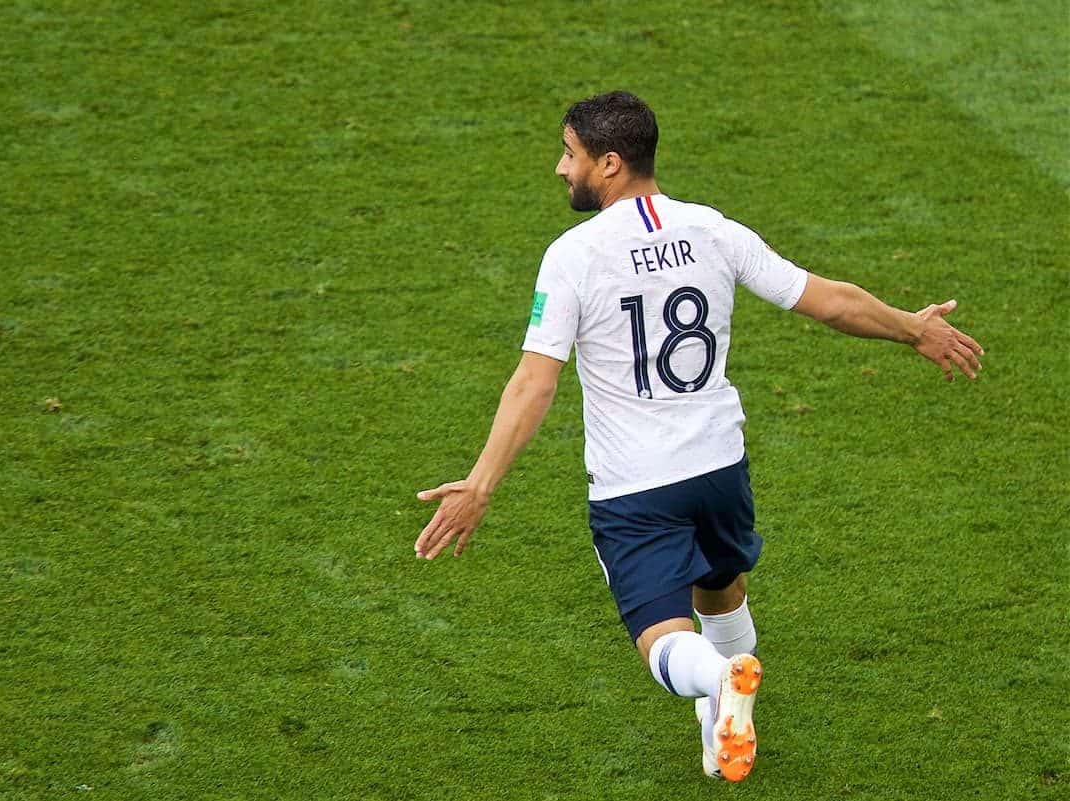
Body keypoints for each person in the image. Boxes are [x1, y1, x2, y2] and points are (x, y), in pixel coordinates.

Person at [413, 91, 983, 782]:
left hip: (637, 485)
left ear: (611, 163)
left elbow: (534, 383)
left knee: (660, 635)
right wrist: (912, 326)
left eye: (571, 154)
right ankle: (724, 725)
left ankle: (720, 681)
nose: (562, 169)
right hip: (720, 467)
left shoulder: (574, 255)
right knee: (721, 586)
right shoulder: (713, 229)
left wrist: (479, 485)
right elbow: (827, 299)